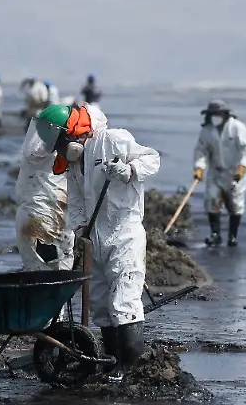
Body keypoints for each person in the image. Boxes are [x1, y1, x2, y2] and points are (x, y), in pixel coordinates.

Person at [35, 103, 160, 370]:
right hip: (94, 238)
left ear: (73, 134)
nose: (60, 151)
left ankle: (131, 368)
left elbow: (153, 159)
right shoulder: (73, 163)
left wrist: (129, 171)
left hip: (124, 234)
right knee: (101, 305)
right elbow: (75, 199)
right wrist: (81, 228)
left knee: (124, 302)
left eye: (61, 144)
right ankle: (112, 364)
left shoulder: (112, 140)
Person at [14, 119, 74, 271]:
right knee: (57, 269)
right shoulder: (62, 155)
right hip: (50, 217)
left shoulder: (34, 148)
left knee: (35, 268)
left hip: (29, 214)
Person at [193, 99, 246, 247]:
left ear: (225, 114)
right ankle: (215, 235)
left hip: (234, 174)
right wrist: (199, 168)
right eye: (212, 114)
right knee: (212, 200)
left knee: (236, 204)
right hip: (215, 172)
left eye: (218, 113)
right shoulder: (207, 131)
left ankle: (232, 236)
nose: (215, 116)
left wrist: (242, 168)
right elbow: (201, 150)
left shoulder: (237, 128)